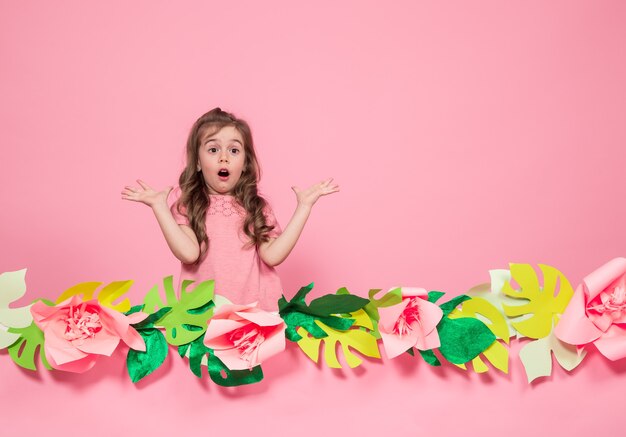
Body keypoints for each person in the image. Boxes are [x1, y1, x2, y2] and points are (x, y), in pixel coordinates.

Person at [122, 107, 338, 310]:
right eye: (213, 149)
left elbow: (272, 256)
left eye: (234, 150)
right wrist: (159, 207)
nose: (223, 157)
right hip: (204, 314)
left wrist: (304, 207)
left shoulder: (255, 208)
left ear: (245, 163)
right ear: (197, 162)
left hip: (252, 314)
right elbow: (189, 254)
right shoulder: (187, 207)